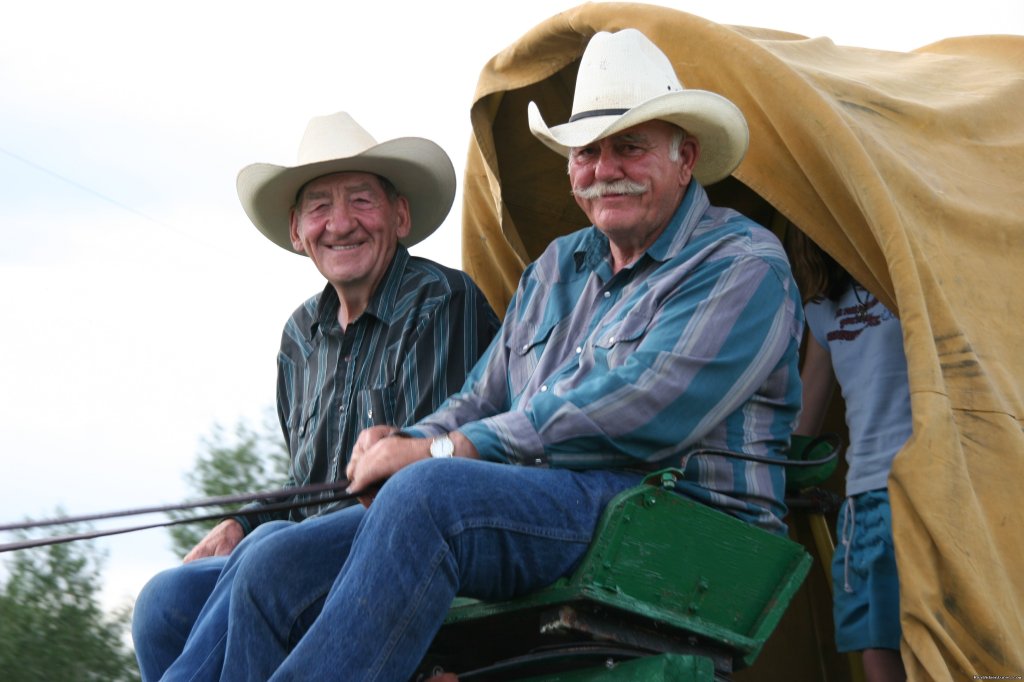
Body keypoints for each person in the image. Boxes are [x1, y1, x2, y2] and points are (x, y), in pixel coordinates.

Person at [216, 29, 805, 681]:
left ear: (685, 156)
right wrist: (402, 440)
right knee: (276, 563)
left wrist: (443, 451)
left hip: (674, 521)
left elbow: (643, 408)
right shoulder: (558, 266)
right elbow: (481, 396)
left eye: (630, 148)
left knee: (430, 495)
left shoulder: (740, 263)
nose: (605, 168)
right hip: (560, 500)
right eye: (587, 152)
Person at [130, 111, 499, 681]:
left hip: (400, 537)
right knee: (162, 602)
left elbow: (426, 480)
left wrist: (268, 537)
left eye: (361, 200)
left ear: (399, 215)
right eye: (320, 206)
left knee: (274, 553)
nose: (341, 223)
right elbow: (309, 484)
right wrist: (243, 525)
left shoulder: (441, 301)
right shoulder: (299, 338)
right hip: (305, 548)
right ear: (297, 231)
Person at [790, 230, 909, 682]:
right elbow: (803, 426)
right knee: (876, 644)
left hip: (930, 485)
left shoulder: (908, 277)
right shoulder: (822, 309)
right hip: (871, 494)